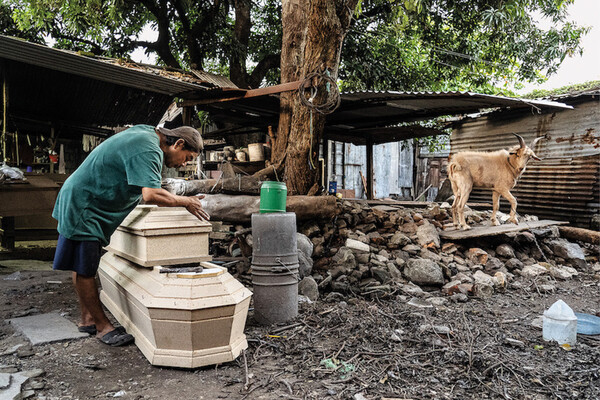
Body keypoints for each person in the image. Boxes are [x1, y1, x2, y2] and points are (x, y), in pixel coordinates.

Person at [52, 125, 209, 346]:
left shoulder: (147, 133)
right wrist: (186, 201)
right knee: (85, 269)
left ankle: (87, 319)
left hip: (82, 197)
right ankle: (102, 327)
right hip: (85, 205)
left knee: (81, 265)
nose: (184, 163)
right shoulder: (150, 150)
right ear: (178, 144)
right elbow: (151, 194)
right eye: (187, 157)